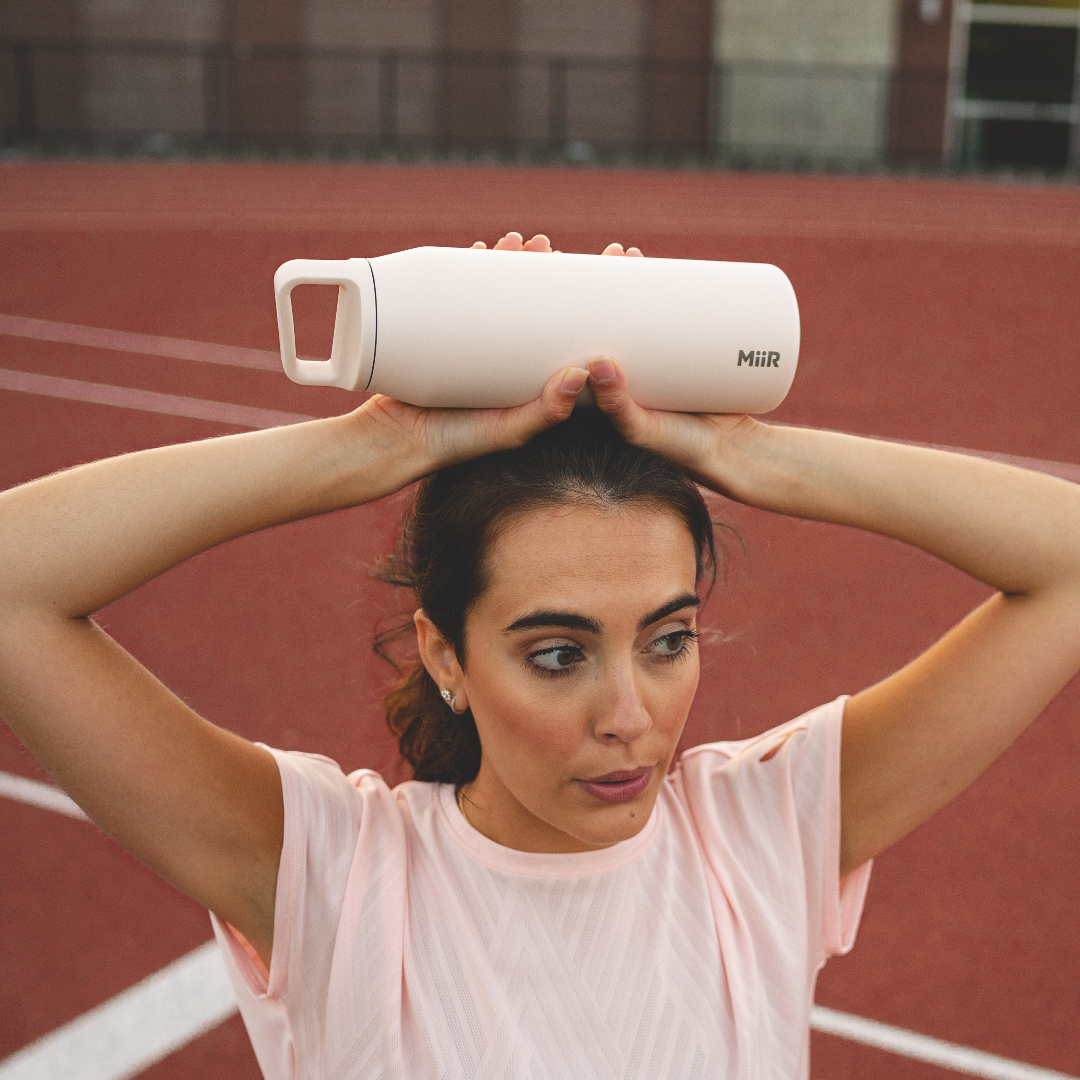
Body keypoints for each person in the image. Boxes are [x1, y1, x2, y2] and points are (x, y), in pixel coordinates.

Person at [0, 231, 1078, 1080]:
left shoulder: (765, 832)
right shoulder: (332, 877)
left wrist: (742, 448)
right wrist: (379, 442)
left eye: (667, 639)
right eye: (558, 655)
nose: (630, 714)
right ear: (446, 654)